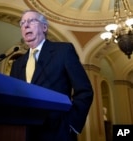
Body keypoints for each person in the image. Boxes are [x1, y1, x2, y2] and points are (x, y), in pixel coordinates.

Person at [9, 10, 93, 141]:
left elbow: (84, 91)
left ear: (44, 27)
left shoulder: (64, 51)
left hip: (57, 132)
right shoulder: (17, 64)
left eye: (31, 21)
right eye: (22, 23)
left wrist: (71, 124)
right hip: (24, 133)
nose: (25, 25)